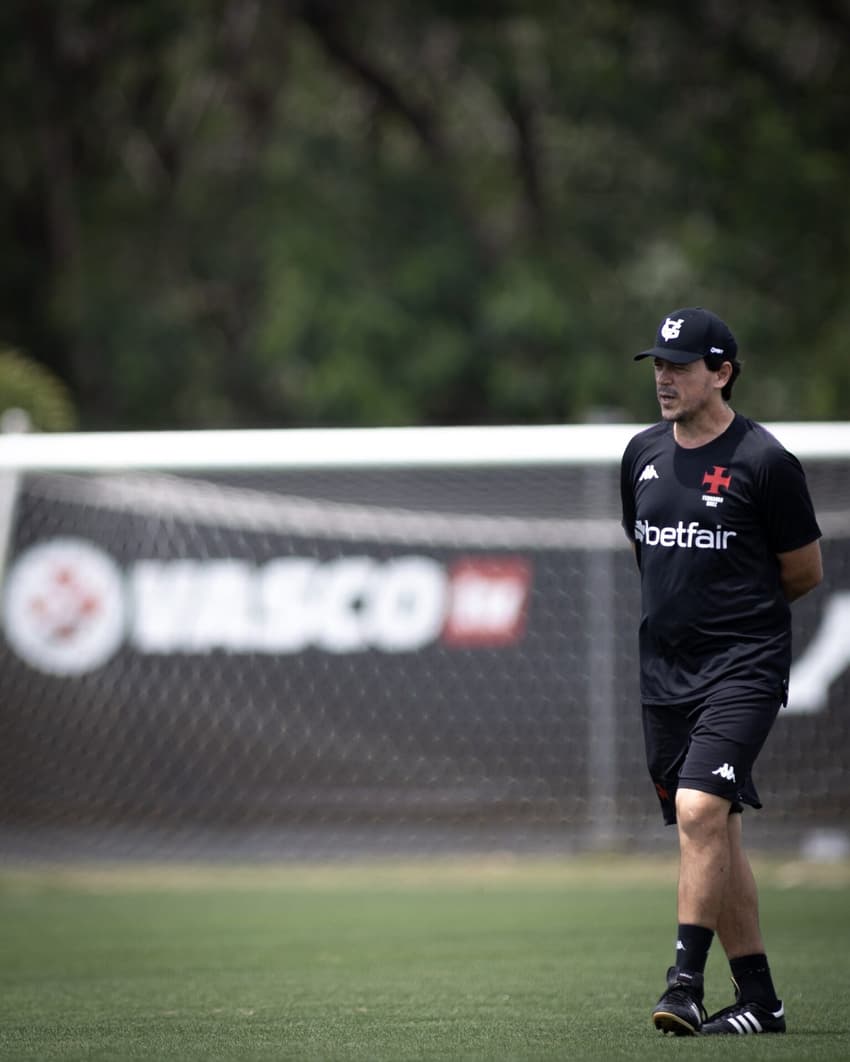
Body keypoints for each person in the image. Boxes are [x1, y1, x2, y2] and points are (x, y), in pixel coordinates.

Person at [620, 307, 823, 1036]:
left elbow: (803, 571)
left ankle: (683, 985)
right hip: (664, 673)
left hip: (743, 667)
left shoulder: (765, 462)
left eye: (679, 366)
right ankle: (761, 1002)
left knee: (700, 811)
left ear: (722, 373)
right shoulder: (640, 454)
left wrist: (735, 622)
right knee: (719, 833)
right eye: (658, 365)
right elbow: (651, 554)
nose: (664, 378)